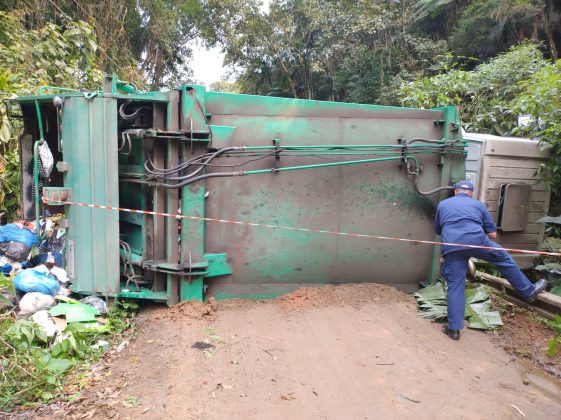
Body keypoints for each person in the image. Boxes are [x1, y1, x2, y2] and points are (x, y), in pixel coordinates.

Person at [434, 180, 547, 340]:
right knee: (504, 259)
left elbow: (438, 229)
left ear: (455, 192)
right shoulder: (478, 205)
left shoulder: (443, 205)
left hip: (452, 246)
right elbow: (492, 234)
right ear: (471, 193)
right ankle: (527, 291)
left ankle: (454, 330)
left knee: (455, 285)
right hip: (478, 242)